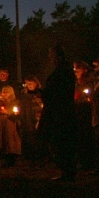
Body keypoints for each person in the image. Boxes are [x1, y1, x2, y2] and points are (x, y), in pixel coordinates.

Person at [37, 45, 77, 181]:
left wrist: (44, 93)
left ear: (58, 56)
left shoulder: (64, 71)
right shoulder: (62, 70)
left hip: (60, 112)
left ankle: (68, 171)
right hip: (58, 111)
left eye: (51, 55)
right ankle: (67, 170)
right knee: (57, 141)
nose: (50, 58)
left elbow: (59, 92)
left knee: (60, 141)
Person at [0, 86, 21, 167]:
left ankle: (11, 158)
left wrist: (8, 112)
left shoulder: (15, 101)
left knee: (10, 140)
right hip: (0, 123)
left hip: (10, 123)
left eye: (7, 92)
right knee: (1, 139)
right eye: (3, 92)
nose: (5, 94)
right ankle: (2, 158)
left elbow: (17, 111)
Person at [73, 61, 96, 171]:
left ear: (85, 70)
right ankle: (82, 161)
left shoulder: (90, 81)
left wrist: (87, 98)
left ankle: (89, 162)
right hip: (79, 109)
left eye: (78, 69)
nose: (75, 71)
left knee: (86, 136)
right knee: (80, 136)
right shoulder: (78, 82)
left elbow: (91, 94)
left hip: (87, 110)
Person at [19, 75, 44, 166]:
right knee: (28, 138)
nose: (29, 85)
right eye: (27, 83)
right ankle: (29, 158)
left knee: (37, 139)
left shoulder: (39, 93)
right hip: (26, 118)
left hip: (36, 118)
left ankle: (39, 158)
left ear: (35, 83)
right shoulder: (24, 93)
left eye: (31, 83)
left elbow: (42, 105)